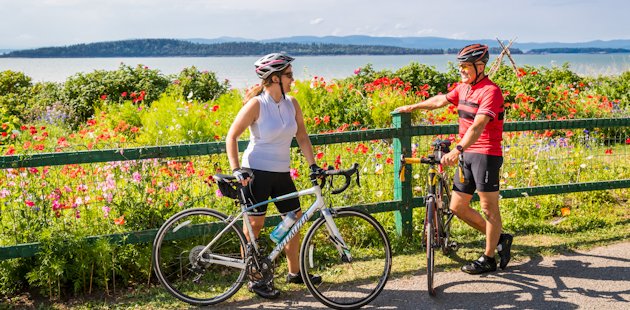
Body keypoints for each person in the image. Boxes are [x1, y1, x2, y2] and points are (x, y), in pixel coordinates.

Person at [395, 44, 513, 274]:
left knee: (489, 209)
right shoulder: (464, 88)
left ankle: (488, 258)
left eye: (466, 66)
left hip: (485, 154)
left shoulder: (490, 91)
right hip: (466, 154)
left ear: (480, 66)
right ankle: (500, 239)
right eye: (460, 66)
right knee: (457, 206)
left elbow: (478, 126)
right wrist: (412, 107)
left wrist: (457, 149)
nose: (462, 70)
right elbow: (440, 100)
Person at [225, 52, 323, 299]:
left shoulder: (292, 104)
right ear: (275, 78)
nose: (293, 79)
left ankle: (295, 273)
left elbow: (302, 136)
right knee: (254, 226)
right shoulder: (257, 104)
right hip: (256, 171)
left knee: (295, 220)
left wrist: (313, 165)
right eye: (289, 75)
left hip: (281, 172)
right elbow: (232, 136)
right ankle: (254, 278)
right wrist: (237, 169)